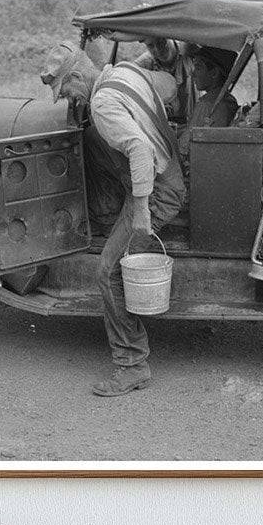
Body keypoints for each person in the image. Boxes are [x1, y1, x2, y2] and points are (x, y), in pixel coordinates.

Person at [41, 47, 186, 397]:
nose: (67, 99)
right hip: (167, 174)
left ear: (77, 78)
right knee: (93, 144)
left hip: (157, 190)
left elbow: (137, 148)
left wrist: (139, 212)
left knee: (109, 270)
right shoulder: (123, 72)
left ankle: (132, 363)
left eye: (65, 92)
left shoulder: (102, 105)